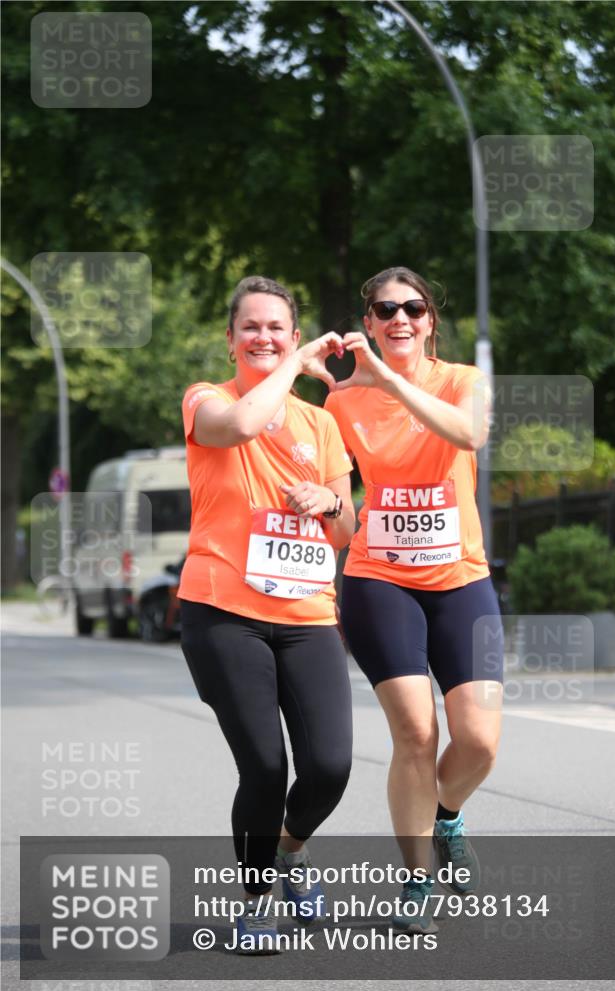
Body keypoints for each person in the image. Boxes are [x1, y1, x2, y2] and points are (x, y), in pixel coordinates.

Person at [179, 276, 355, 952]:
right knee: (262, 767)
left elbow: (348, 532)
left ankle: (288, 853)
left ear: (290, 333)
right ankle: (254, 903)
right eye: (250, 327)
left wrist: (329, 504)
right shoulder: (205, 400)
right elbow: (248, 422)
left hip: (307, 613)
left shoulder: (322, 424)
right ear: (230, 341)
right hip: (222, 610)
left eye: (276, 327)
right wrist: (296, 364)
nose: (263, 336)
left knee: (330, 766)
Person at [325, 266, 503, 934]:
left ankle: (446, 814)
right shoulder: (339, 403)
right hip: (379, 578)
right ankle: (416, 877)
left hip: (460, 577)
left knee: (479, 742)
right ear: (366, 322)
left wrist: (390, 380)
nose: (400, 318)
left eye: (413, 308)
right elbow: (337, 498)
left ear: (430, 320)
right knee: (415, 732)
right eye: (384, 309)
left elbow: (467, 436)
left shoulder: (461, 382)